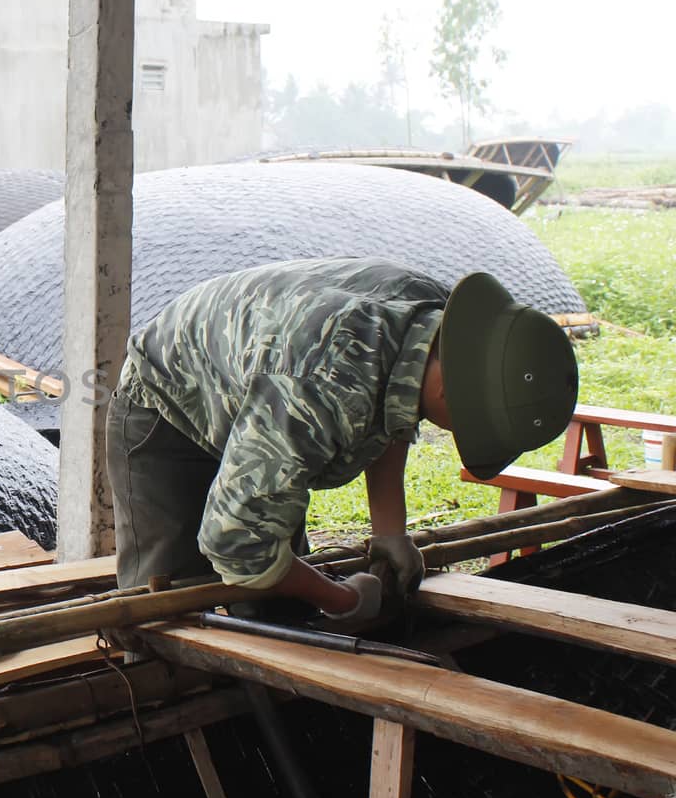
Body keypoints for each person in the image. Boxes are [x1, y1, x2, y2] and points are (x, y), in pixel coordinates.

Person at [106, 256, 579, 628]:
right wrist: (345, 598)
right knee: (168, 606)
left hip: (260, 383)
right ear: (448, 393)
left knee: (276, 600)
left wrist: (391, 532)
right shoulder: (321, 388)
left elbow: (394, 407)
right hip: (165, 397)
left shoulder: (440, 324)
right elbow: (239, 545)